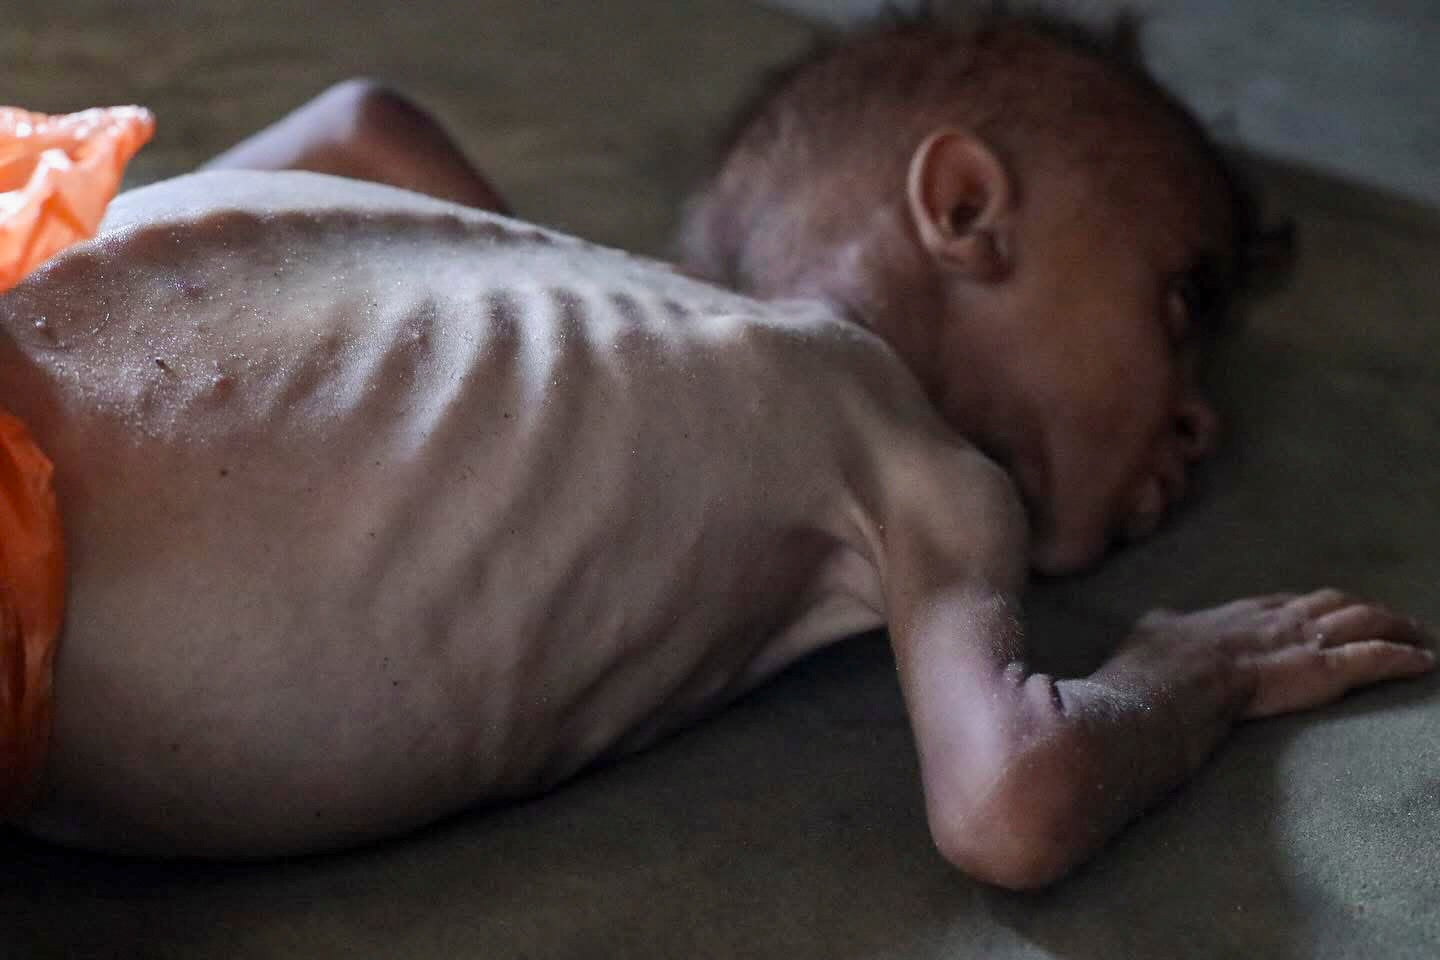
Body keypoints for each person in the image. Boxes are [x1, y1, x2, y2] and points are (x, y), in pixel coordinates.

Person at [0, 10, 1430, 890]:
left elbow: (359, 118)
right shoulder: (911, 461)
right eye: (1179, 307)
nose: (1201, 414)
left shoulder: (595, 320)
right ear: (968, 207)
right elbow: (1014, 802)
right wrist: (1189, 673)